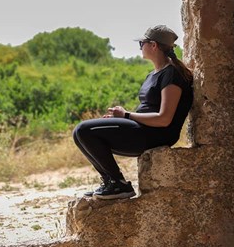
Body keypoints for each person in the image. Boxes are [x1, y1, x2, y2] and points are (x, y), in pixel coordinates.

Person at [73, 25, 193, 200]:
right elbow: (146, 109)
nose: (140, 47)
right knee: (79, 133)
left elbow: (164, 119)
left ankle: (119, 184)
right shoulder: (153, 74)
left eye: (142, 43)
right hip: (142, 128)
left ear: (153, 45)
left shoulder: (172, 74)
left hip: (157, 133)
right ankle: (110, 182)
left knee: (84, 130)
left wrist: (126, 116)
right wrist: (117, 120)